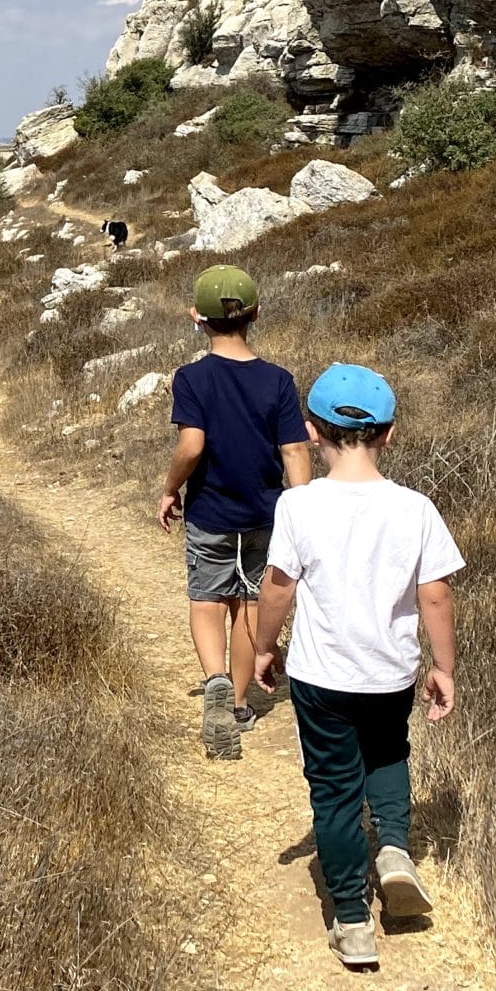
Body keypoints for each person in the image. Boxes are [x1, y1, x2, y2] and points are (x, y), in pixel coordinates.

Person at [250, 363, 462, 972]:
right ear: (389, 434)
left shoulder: (298, 506)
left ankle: (352, 920)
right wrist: (442, 666)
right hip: (391, 672)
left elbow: (278, 588)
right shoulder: (416, 508)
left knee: (336, 792)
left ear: (313, 433)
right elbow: (436, 594)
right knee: (389, 755)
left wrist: (266, 649)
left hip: (323, 678)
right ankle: (394, 849)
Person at [156, 264, 311, 760]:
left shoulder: (192, 378)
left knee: (206, 600)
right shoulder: (278, 380)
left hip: (210, 513)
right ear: (257, 314)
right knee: (249, 604)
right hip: (265, 515)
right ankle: (240, 705)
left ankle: (216, 681)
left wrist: (170, 487)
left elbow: (192, 444)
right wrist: (303, 509)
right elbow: (295, 452)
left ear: (196, 318)